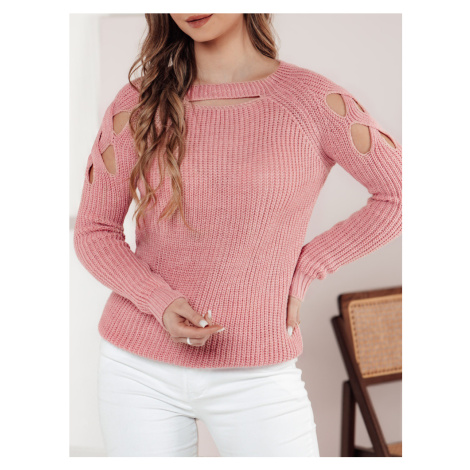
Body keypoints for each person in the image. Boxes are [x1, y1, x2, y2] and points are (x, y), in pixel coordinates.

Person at [73, 13, 402, 457]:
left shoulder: (312, 101)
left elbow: (399, 195)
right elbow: (94, 230)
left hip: (257, 369)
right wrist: (158, 300)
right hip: (136, 368)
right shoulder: (139, 102)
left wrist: (307, 267)